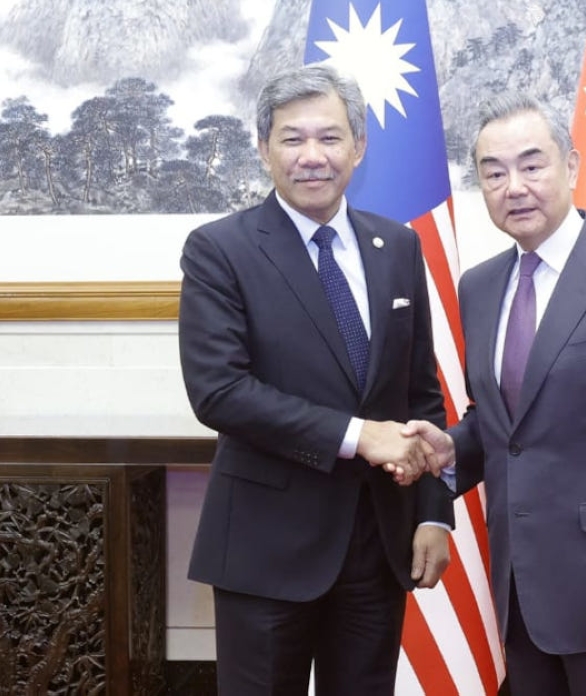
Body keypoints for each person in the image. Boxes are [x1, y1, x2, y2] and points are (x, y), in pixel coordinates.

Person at [404, 93, 586, 696]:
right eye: (493, 173)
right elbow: (503, 424)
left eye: (531, 165)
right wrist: (447, 450)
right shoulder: (481, 287)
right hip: (519, 590)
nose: (513, 186)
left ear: (571, 166)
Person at [177, 63, 453, 696]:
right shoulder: (221, 249)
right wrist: (360, 435)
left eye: (329, 138)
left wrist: (434, 515)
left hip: (377, 546)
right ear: (263, 147)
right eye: (291, 138)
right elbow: (219, 390)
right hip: (265, 548)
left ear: (358, 146)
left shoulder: (398, 247)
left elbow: (422, 397)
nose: (311, 157)